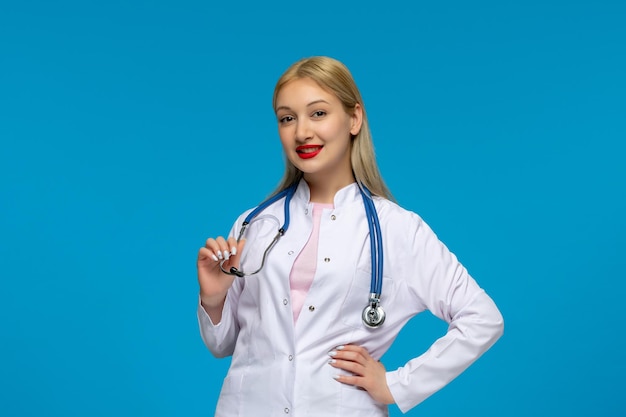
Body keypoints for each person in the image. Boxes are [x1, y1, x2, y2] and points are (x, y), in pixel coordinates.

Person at [196, 56, 504, 417]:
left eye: (318, 113)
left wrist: (397, 385)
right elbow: (224, 345)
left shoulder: (396, 228)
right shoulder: (254, 224)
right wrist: (213, 300)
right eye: (287, 118)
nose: (301, 132)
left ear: (354, 118)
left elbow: (483, 318)